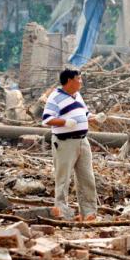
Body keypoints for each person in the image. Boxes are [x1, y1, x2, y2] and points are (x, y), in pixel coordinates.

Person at [41, 69, 105, 220]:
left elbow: (84, 114)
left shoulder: (77, 95)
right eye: (79, 79)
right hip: (65, 142)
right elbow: (46, 119)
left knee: (87, 177)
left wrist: (95, 117)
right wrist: (65, 122)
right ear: (69, 80)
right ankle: (62, 212)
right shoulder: (55, 97)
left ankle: (89, 212)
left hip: (82, 141)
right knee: (63, 178)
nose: (81, 82)